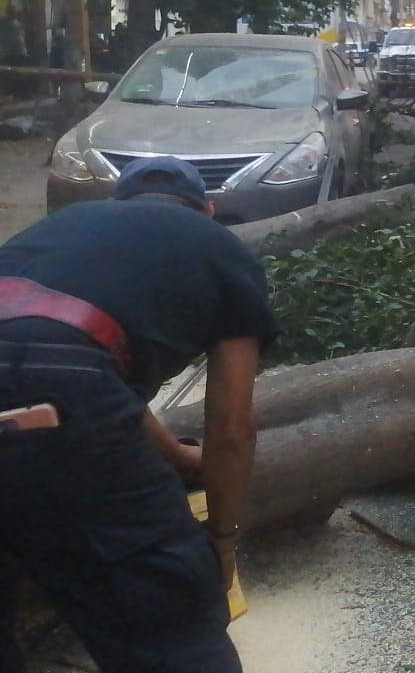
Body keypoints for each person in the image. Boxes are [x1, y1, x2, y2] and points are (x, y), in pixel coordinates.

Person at [0, 156, 280, 672]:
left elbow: (76, 352)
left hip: (53, 376)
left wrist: (176, 456)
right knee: (166, 614)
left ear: (118, 204)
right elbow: (232, 428)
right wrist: (220, 541)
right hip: (62, 389)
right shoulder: (218, 246)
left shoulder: (60, 228)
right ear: (208, 209)